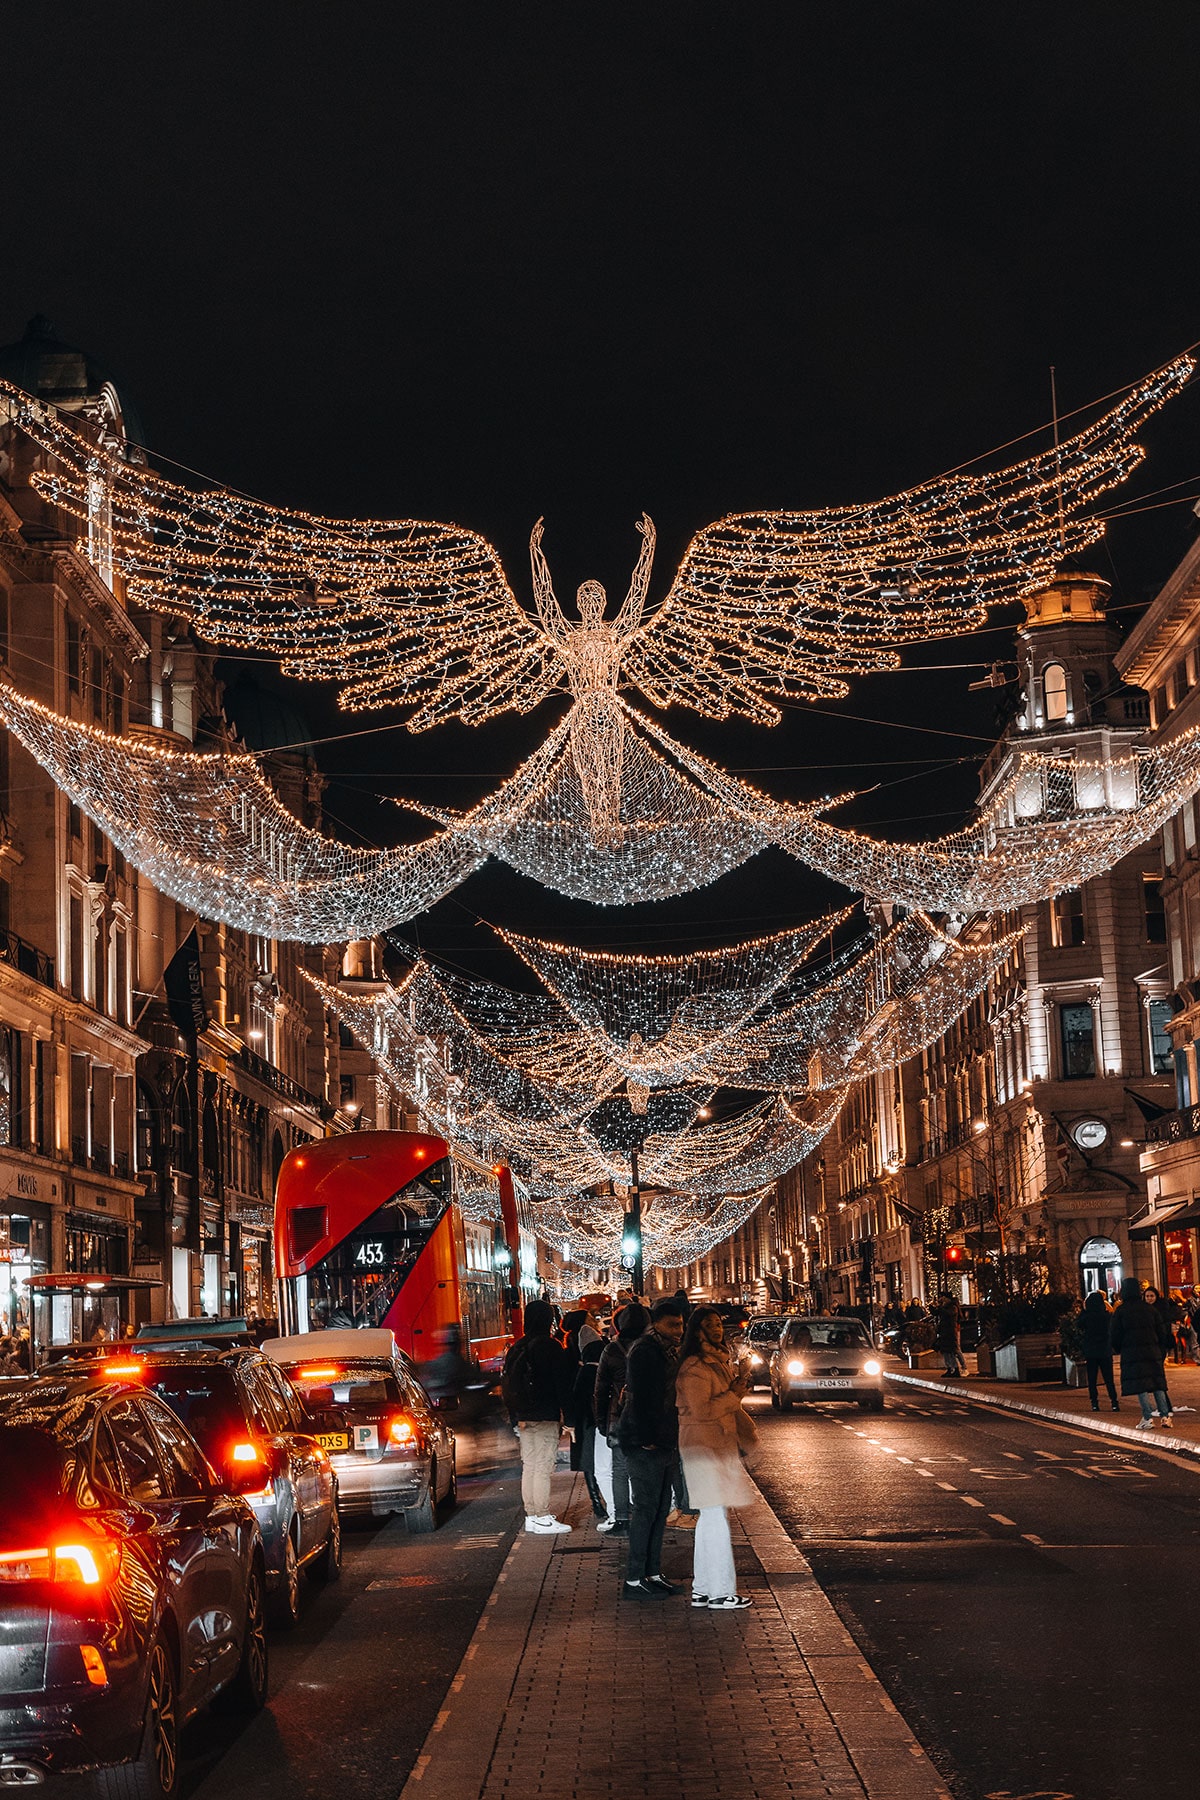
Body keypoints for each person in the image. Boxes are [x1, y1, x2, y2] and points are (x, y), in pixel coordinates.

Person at [675, 1306, 757, 1611]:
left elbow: (726, 1403)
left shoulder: (716, 1362)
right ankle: (721, 1592)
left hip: (715, 1445)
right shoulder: (695, 1367)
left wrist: (740, 1381)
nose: (718, 1329)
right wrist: (734, 1392)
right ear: (697, 1331)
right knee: (715, 1519)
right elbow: (704, 1410)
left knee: (711, 1517)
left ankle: (703, 1589)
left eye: (719, 1324)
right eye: (710, 1325)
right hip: (702, 1446)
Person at [617, 1297, 685, 1598]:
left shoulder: (669, 1350)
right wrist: (648, 1439)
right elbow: (641, 1399)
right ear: (656, 1323)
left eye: (681, 1325)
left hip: (664, 1440)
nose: (678, 1330)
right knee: (645, 1509)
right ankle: (634, 1578)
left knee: (658, 1510)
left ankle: (652, 1572)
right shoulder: (645, 1351)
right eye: (672, 1325)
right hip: (645, 1442)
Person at [500, 1298, 576, 1531]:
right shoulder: (551, 1346)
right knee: (543, 1466)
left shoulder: (517, 1347)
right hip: (545, 1415)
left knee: (530, 1466)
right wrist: (570, 1420)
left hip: (524, 1417)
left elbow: (507, 1384)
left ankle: (532, 1515)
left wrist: (514, 1417)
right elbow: (562, 1385)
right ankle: (542, 1515)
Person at [594, 1301, 647, 1534]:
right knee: (645, 1468)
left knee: (619, 1470)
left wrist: (601, 1423)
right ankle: (646, 1515)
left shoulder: (611, 1350)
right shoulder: (649, 1347)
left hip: (618, 1417)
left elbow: (600, 1390)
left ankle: (622, 1518)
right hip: (647, 1415)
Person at [1110, 1277, 1173, 1430]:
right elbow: (1161, 1331)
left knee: (1141, 1385)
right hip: (1152, 1351)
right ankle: (1165, 1416)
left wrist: (1118, 1348)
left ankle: (1147, 1417)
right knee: (1157, 1383)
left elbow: (1115, 1334)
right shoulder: (1150, 1309)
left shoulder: (1121, 1311)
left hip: (1133, 1352)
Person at [572, 1338, 607, 1518]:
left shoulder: (583, 1371)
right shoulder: (598, 1371)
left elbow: (576, 1400)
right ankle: (601, 1501)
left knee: (590, 1465)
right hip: (596, 1425)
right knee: (601, 1466)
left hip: (585, 1425)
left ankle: (596, 1501)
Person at [1079, 1289, 1119, 1412]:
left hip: (1091, 1350)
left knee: (1092, 1378)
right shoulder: (1107, 1316)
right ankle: (1114, 1402)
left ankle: (1095, 1403)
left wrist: (1084, 1311)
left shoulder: (1086, 1317)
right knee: (1109, 1379)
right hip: (1105, 1349)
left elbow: (1079, 1325)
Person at [934, 1297, 966, 1378]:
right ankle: (949, 1368)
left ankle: (956, 1368)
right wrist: (933, 1307)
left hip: (950, 1332)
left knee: (952, 1351)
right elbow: (936, 1313)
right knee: (946, 1352)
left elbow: (948, 1314)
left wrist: (940, 1308)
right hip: (944, 1332)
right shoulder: (945, 1308)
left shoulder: (953, 1307)